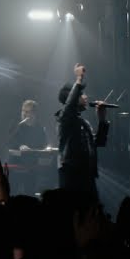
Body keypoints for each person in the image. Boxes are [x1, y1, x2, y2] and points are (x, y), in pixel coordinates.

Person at [55, 63, 110, 206]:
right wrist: (78, 79)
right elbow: (69, 105)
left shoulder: (83, 123)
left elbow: (98, 142)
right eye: (81, 94)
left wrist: (102, 119)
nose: (86, 97)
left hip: (87, 175)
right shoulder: (64, 117)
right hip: (72, 175)